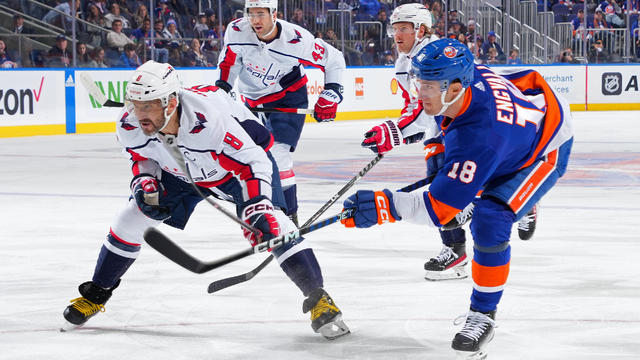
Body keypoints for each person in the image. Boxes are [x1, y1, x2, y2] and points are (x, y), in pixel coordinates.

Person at [62, 60, 350, 340]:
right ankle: (97, 294)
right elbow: (141, 157)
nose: (140, 113)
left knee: (276, 226)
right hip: (181, 172)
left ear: (171, 103)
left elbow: (254, 162)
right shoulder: (129, 124)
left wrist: (257, 209)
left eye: (147, 105)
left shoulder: (207, 120)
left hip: (237, 169)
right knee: (130, 219)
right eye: (136, 105)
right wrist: (145, 181)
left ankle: (319, 299)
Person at [340, 38, 574, 359]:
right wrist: (399, 129)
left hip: (543, 146)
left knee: (491, 218)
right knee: (450, 169)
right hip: (514, 128)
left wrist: (386, 205)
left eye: (429, 86)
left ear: (454, 88)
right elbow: (430, 111)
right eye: (418, 83)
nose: (420, 92)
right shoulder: (460, 82)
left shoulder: (480, 137)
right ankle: (509, 198)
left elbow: (436, 210)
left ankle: (483, 315)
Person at [360, 4, 470, 281]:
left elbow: (425, 105)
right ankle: (455, 250)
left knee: (460, 187)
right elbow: (414, 106)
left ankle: (516, 201)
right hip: (438, 128)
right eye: (395, 29)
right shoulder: (403, 63)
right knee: (439, 184)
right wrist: (398, 132)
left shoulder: (434, 54)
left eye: (403, 28)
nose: (397, 35)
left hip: (464, 125)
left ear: (420, 29)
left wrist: (394, 131)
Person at [216, 0, 346, 226]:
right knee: (251, 156)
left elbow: (334, 59)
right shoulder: (237, 30)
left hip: (288, 97)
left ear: (274, 14)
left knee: (278, 155)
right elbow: (229, 63)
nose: (255, 20)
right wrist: (222, 90)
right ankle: (265, 208)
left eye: (261, 14)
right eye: (251, 14)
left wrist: (332, 93)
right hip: (251, 101)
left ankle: (288, 218)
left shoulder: (296, 39)